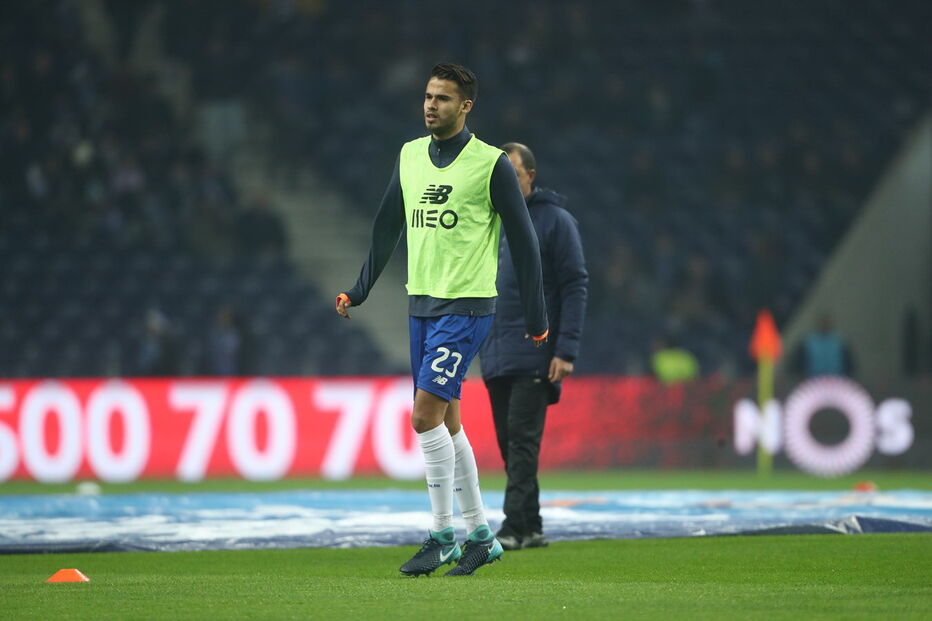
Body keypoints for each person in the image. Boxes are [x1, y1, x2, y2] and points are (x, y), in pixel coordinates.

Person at [335, 63, 548, 576]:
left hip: (467, 305)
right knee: (449, 422)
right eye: (428, 96)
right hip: (421, 304)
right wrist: (360, 289)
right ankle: (480, 535)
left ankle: (441, 535)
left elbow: (523, 239)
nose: (431, 105)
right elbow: (388, 225)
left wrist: (538, 315)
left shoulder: (490, 164)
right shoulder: (409, 156)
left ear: (466, 106)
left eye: (444, 99)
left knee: (422, 416)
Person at [479, 143, 588, 551]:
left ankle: (511, 528)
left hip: (535, 350)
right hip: (494, 349)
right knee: (511, 444)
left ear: (530, 175)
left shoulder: (555, 221)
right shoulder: (488, 221)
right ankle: (531, 525)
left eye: (511, 172)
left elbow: (575, 284)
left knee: (522, 441)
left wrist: (566, 349)